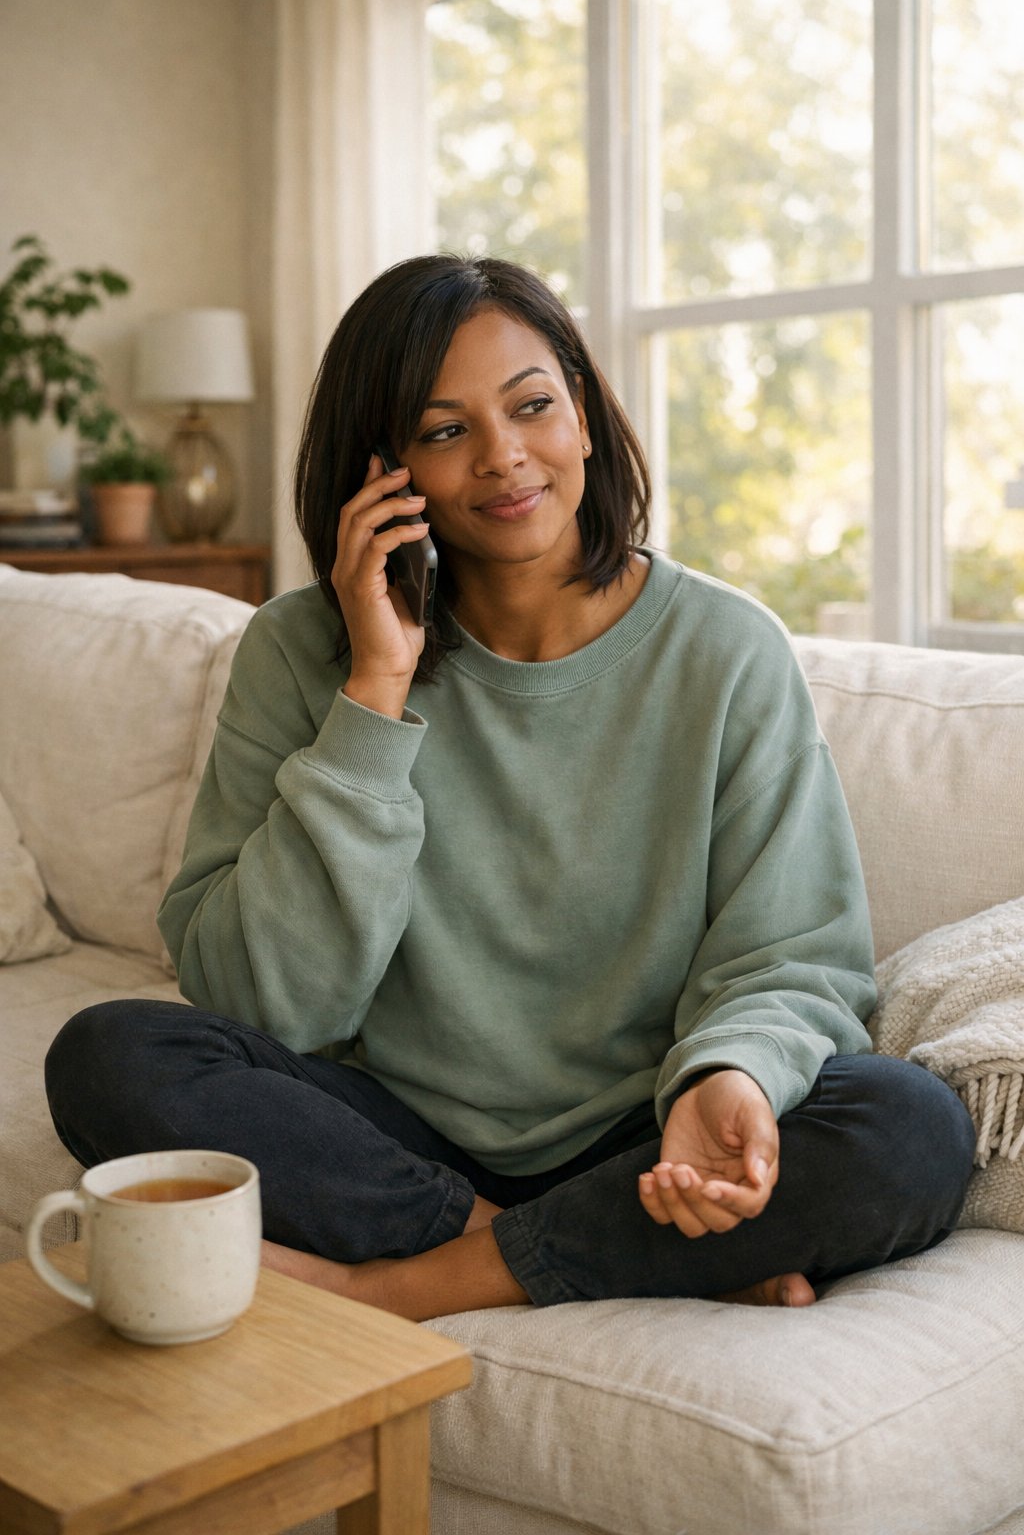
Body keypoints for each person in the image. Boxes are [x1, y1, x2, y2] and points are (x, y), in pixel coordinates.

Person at [46, 254, 976, 1322]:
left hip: (647, 1129)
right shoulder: (300, 652)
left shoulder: (724, 651)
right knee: (109, 1055)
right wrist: (374, 693)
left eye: (531, 406)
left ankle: (397, 1284)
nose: (503, 458)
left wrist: (733, 1078)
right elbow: (261, 1004)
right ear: (380, 469)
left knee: (909, 1127)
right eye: (444, 432)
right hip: (399, 1127)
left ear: (581, 414)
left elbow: (796, 958)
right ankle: (606, 1252)